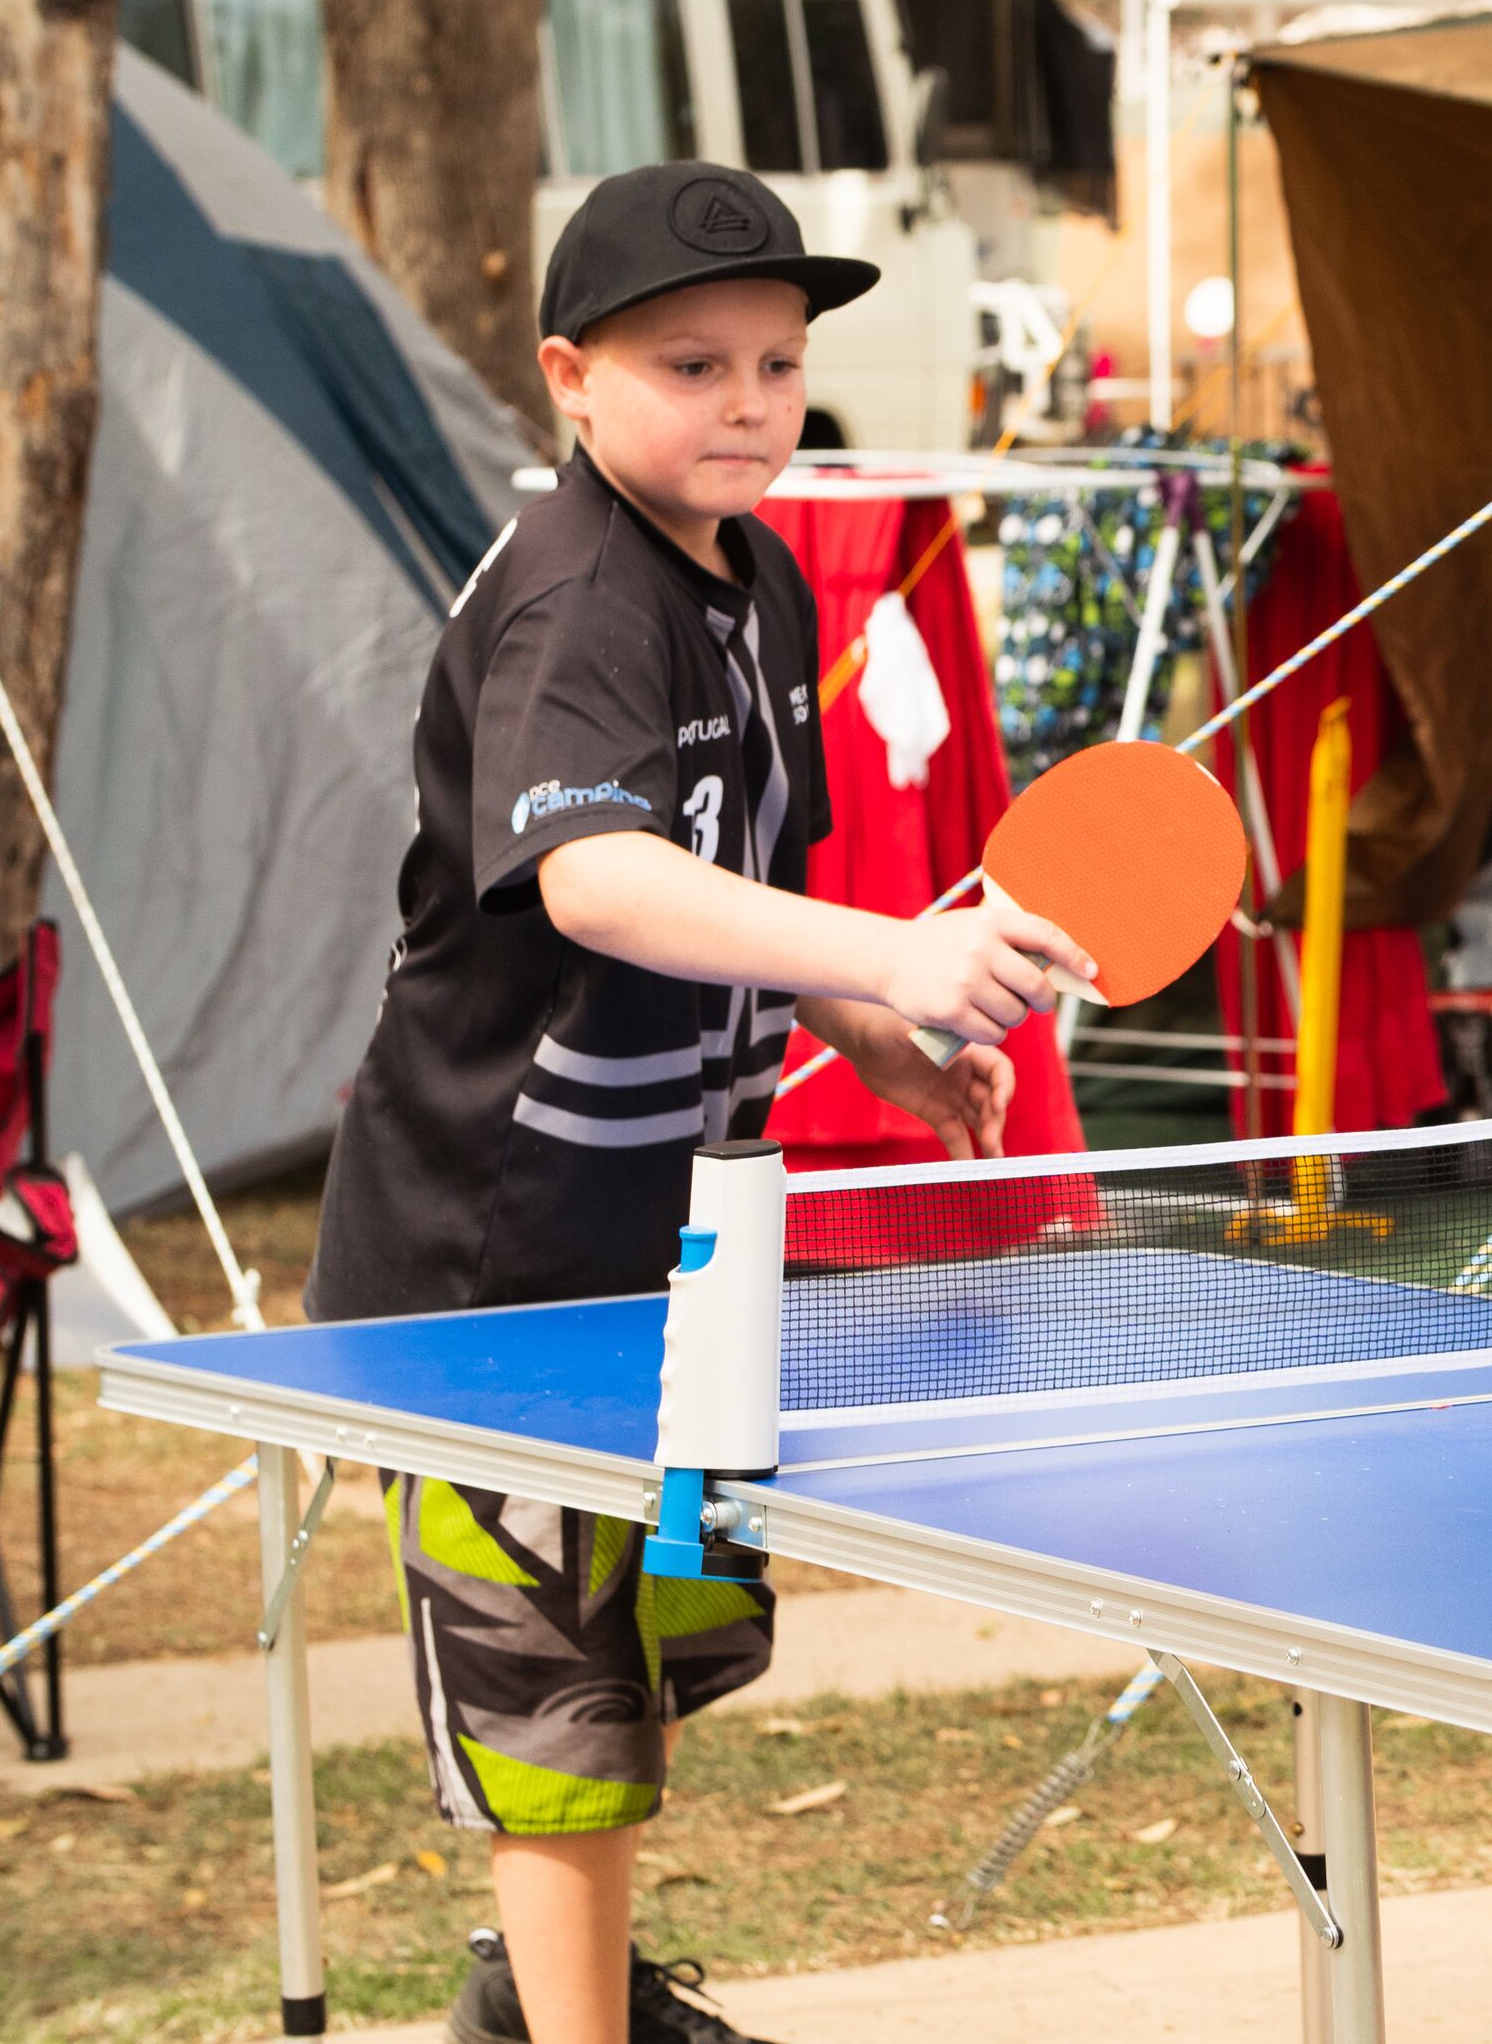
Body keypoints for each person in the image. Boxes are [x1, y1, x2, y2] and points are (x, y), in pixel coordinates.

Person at [304, 160, 1094, 2044]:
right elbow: (593, 879)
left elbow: (744, 874)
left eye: (775, 362)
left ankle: (543, 1989)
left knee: (647, 1650)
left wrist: (882, 1027)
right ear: (573, 381)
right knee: (556, 1702)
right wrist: (901, 953)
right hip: (489, 1272)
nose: (747, 402)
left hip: (662, 1250)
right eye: (691, 365)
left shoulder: (759, 582)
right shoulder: (583, 600)